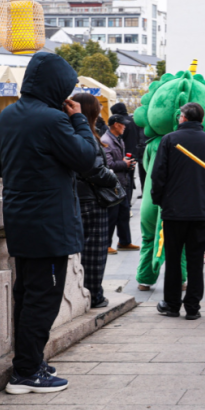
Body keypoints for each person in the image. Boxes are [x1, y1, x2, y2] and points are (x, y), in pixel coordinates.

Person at [0, 52, 98, 394]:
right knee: (43, 299)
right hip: (49, 222)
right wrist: (79, 119)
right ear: (56, 86)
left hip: (19, 218)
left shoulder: (8, 115)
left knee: (27, 294)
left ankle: (30, 362)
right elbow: (87, 158)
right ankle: (26, 372)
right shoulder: (53, 119)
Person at [151, 102, 205, 320]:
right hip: (201, 210)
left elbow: (158, 175)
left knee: (173, 259)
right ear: (201, 120)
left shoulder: (169, 140)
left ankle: (172, 304)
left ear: (182, 118)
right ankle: (193, 307)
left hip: (174, 210)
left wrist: (159, 200)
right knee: (195, 261)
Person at [71, 93, 120, 309]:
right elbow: (94, 169)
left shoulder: (69, 131)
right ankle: (94, 294)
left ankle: (83, 292)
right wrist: (112, 178)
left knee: (82, 250)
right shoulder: (86, 134)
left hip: (77, 197)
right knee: (94, 251)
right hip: (91, 199)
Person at [103, 114, 138, 254]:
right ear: (116, 125)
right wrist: (124, 164)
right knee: (112, 216)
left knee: (124, 214)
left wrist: (127, 163)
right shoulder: (106, 141)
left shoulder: (118, 139)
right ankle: (106, 244)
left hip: (121, 183)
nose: (125, 126)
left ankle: (124, 242)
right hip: (112, 185)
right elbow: (108, 164)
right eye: (123, 124)